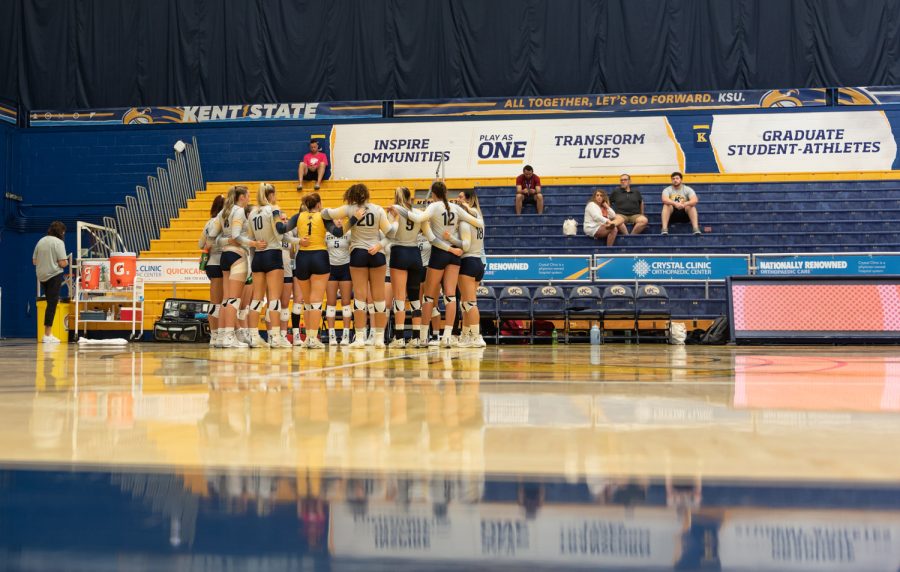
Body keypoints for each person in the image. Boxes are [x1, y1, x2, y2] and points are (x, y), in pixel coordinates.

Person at [391, 181, 483, 348]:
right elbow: (479, 223)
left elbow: (418, 218)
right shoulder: (456, 208)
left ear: (433, 194)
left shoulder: (434, 207)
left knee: (428, 296)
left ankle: (424, 336)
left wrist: (399, 209)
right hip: (454, 254)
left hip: (439, 253)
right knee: (451, 295)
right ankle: (448, 336)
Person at [321, 184, 397, 348]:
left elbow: (325, 214)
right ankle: (378, 339)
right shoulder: (378, 209)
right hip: (376, 254)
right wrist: (380, 245)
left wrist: (333, 225)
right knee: (379, 299)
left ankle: (360, 338)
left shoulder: (349, 209)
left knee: (360, 299)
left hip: (358, 254)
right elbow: (391, 234)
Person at [278, 193, 340, 349]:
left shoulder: (298, 216)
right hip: (319, 256)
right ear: (319, 204)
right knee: (317, 301)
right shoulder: (323, 216)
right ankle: (313, 338)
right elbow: (338, 233)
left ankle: (307, 339)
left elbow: (281, 229)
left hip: (302, 258)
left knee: (307, 303)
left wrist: (274, 215)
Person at [211, 185, 267, 348]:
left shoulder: (223, 212)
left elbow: (212, 238)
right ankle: (229, 337)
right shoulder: (239, 211)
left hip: (224, 256)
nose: (249, 198)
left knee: (226, 300)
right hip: (237, 256)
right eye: (248, 196)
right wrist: (254, 243)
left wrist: (227, 241)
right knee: (234, 300)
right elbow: (236, 235)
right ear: (241, 197)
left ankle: (222, 336)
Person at [247, 183, 292, 348]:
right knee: (274, 298)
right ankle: (275, 337)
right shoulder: (273, 209)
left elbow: (252, 240)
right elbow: (278, 232)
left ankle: (253, 336)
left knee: (257, 299)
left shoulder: (252, 213)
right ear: (271, 195)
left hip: (258, 257)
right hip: (273, 254)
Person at [385, 187, 425, 348]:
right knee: (415, 298)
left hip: (399, 252)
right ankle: (416, 338)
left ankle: (399, 337)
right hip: (415, 253)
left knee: (400, 297)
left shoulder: (394, 212)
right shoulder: (417, 212)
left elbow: (390, 234)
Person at [455, 190, 487, 348]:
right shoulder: (480, 219)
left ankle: (476, 336)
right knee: (465, 303)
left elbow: (465, 245)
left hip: (468, 262)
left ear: (468, 200)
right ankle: (466, 336)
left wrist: (450, 239)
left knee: (469, 303)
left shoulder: (466, 222)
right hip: (478, 263)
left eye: (461, 197)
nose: (458, 200)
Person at [33, 221, 69, 344]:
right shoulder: (59, 243)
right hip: (54, 275)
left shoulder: (41, 241)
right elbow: (63, 262)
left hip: (41, 276)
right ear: (60, 232)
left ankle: (47, 334)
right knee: (52, 304)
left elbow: (34, 261)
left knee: (49, 303)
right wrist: (63, 262)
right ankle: (47, 334)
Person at [199, 196, 225, 347]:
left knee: (216, 301)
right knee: (218, 302)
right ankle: (216, 335)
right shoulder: (221, 222)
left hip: (210, 264)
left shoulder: (208, 223)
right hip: (220, 263)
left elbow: (200, 243)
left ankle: (216, 334)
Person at [325, 219, 353, 346]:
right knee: (331, 303)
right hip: (331, 269)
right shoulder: (326, 234)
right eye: (337, 219)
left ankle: (346, 335)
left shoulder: (349, 233)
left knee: (346, 302)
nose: (339, 221)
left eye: (342, 218)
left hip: (345, 268)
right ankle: (331, 335)